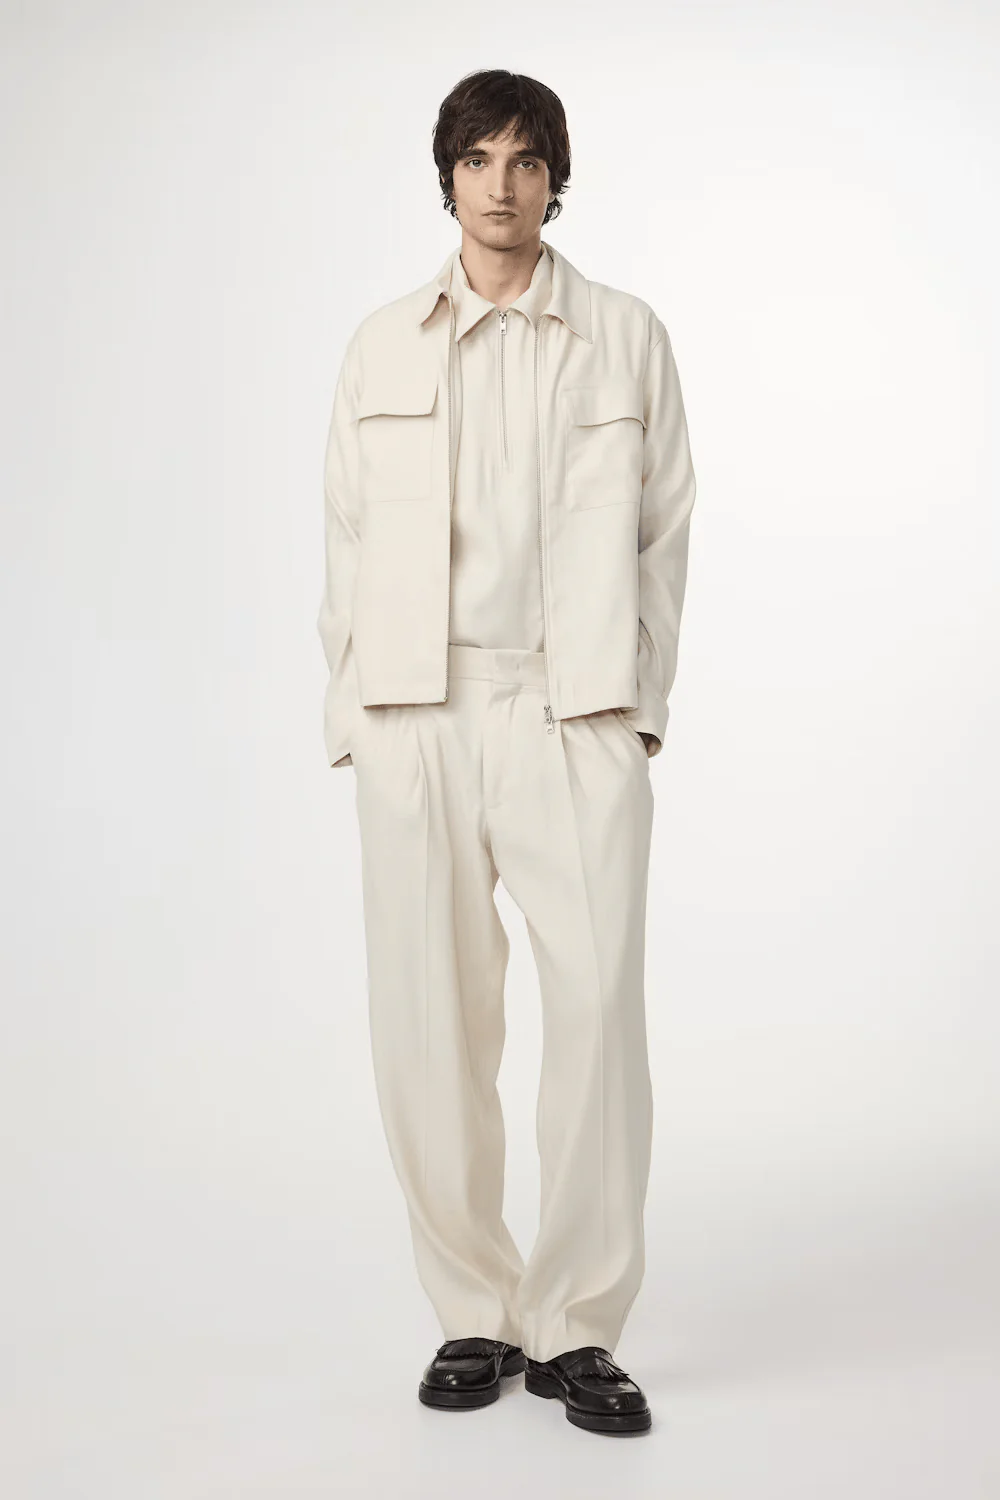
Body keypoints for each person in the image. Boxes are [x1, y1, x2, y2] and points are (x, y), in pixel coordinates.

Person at [317, 69, 696, 1437]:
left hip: (571, 709)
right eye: (478, 158)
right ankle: (474, 1310)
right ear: (447, 177)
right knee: (430, 1022)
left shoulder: (624, 337)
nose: (501, 184)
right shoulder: (382, 347)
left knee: (597, 1022)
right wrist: (359, 716)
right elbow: (346, 535)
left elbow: (664, 527)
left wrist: (634, 708)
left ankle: (577, 1325)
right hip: (418, 712)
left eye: (527, 161)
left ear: (555, 180)